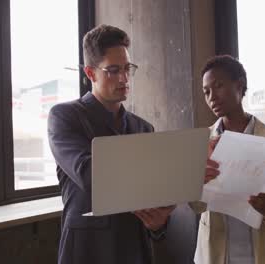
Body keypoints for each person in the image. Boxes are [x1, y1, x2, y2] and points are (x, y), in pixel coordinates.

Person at [48, 24, 174, 264]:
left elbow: (154, 196)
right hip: (87, 251)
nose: (124, 78)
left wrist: (159, 223)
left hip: (135, 250)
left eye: (128, 69)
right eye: (113, 70)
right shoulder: (65, 116)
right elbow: (89, 174)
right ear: (90, 73)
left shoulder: (143, 128)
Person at [192, 55, 265, 264]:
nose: (212, 96)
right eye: (206, 91)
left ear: (239, 85)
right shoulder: (201, 142)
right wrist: (196, 184)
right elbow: (196, 207)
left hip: (263, 255)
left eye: (218, 86)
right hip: (214, 253)